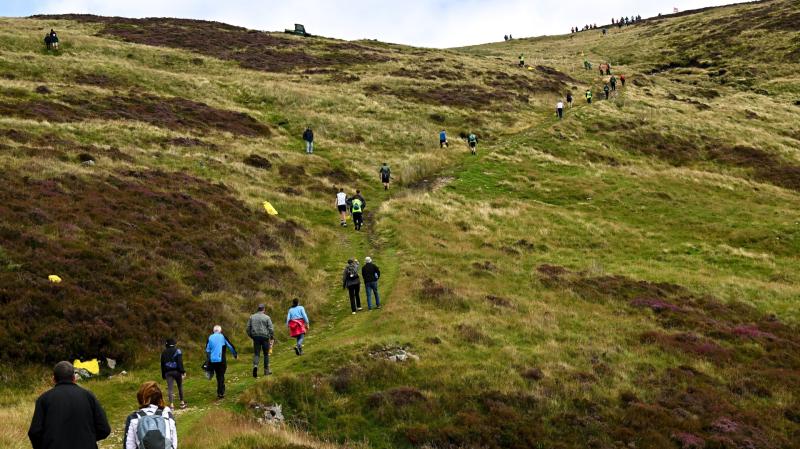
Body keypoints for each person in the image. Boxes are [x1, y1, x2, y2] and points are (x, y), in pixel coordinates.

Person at [28, 361, 111, 449]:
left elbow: (34, 432)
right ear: (74, 378)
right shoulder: (88, 396)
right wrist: (88, 439)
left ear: (54, 379)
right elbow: (104, 429)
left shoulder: (43, 399)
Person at [123, 382, 177, 449]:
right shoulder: (168, 415)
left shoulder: (133, 418)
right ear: (160, 397)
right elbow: (174, 444)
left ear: (140, 397)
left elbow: (129, 446)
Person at [205, 325, 237, 399]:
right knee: (221, 375)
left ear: (213, 331)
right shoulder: (222, 336)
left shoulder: (210, 337)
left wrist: (208, 359)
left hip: (213, 360)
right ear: (220, 330)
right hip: (221, 360)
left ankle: (219, 391)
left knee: (218, 376)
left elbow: (207, 350)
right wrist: (235, 354)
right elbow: (230, 346)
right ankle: (221, 392)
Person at [246, 304, 274, 378]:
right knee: (266, 354)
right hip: (265, 337)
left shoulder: (252, 317)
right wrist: (271, 336)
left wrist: (251, 336)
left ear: (258, 309)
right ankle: (266, 371)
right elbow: (271, 328)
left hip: (256, 337)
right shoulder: (267, 317)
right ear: (264, 309)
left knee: (257, 354)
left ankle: (255, 366)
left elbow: (248, 328)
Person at [160, 338, 186, 410]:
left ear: (167, 344)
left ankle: (171, 406)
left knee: (170, 389)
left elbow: (162, 365)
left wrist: (163, 374)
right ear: (174, 344)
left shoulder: (163, 352)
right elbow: (180, 362)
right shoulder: (178, 351)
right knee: (180, 386)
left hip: (168, 373)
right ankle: (182, 403)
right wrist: (183, 371)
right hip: (177, 372)